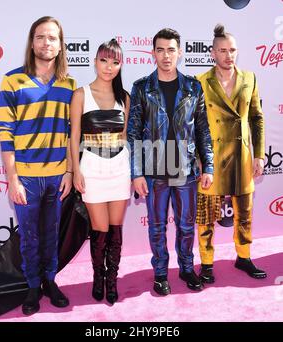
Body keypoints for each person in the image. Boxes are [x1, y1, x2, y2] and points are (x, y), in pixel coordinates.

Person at [0, 16, 77, 315]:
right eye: (41, 37)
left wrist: (69, 171)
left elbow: (71, 133)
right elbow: (5, 133)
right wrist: (13, 179)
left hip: (57, 176)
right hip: (26, 179)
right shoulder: (12, 80)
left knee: (51, 233)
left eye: (53, 38)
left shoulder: (69, 84)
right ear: (32, 42)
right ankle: (32, 286)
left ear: (60, 45)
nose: (47, 43)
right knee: (29, 236)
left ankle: (50, 280)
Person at [127, 28, 214, 296]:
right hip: (154, 169)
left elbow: (203, 129)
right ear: (153, 53)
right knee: (156, 226)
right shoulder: (142, 87)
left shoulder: (193, 86)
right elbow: (132, 132)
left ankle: (187, 269)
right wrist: (137, 173)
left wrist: (208, 165)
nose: (166, 55)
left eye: (171, 50)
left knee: (187, 226)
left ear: (180, 52)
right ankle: (161, 273)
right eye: (161, 50)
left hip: (185, 168)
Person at [196, 24, 266, 284]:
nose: (228, 55)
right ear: (212, 53)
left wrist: (258, 154)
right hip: (211, 158)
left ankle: (244, 257)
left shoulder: (250, 78)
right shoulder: (200, 82)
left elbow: (257, 118)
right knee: (206, 217)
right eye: (222, 50)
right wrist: (200, 161)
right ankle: (206, 263)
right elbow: (195, 125)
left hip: (242, 155)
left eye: (233, 50)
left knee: (244, 213)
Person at [70, 39, 130, 305]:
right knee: (100, 229)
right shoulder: (81, 94)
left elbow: (127, 137)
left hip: (119, 168)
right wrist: (74, 171)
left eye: (115, 61)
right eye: (104, 60)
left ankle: (112, 280)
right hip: (91, 168)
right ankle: (98, 277)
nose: (109, 67)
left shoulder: (124, 97)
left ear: (120, 65)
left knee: (116, 229)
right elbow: (73, 138)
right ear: (95, 61)